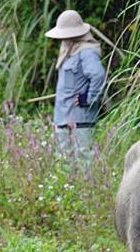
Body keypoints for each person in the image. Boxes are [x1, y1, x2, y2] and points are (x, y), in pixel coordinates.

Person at [45, 10, 106, 164]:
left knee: (84, 157)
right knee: (65, 159)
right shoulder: (68, 50)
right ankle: (69, 187)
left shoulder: (87, 52)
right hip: (63, 115)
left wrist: (89, 98)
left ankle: (88, 187)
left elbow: (98, 75)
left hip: (81, 117)